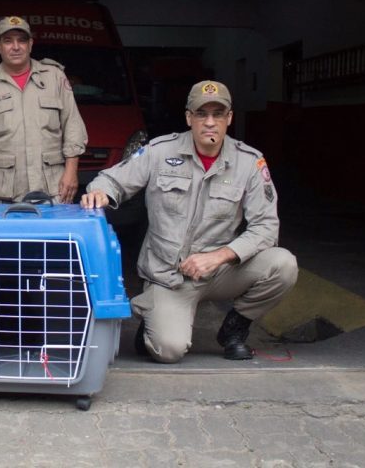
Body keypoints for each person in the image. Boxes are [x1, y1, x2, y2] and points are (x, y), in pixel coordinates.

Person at [81, 80, 297, 363]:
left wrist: (219, 257)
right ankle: (151, 313)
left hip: (220, 271)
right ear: (188, 117)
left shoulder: (250, 162)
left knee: (283, 265)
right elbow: (111, 178)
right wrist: (101, 192)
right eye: (201, 114)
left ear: (229, 118)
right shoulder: (161, 150)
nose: (210, 122)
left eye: (218, 114)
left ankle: (235, 327)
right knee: (167, 350)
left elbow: (267, 227)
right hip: (170, 275)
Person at [0, 16, 87, 204]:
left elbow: (72, 125)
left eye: (22, 40)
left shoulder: (54, 77)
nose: (15, 47)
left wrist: (71, 172)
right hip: (4, 196)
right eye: (8, 41)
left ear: (30, 44)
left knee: (54, 235)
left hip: (53, 190)